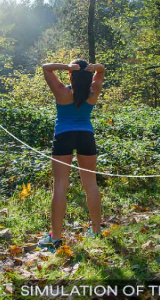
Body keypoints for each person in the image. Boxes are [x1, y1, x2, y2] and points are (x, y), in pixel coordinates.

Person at [37, 59, 105, 251]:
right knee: (90, 183)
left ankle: (56, 238)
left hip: (63, 137)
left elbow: (45, 68)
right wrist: (96, 68)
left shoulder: (62, 91)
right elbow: (102, 71)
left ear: (70, 74)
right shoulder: (93, 92)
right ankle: (96, 231)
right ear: (89, 74)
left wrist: (65, 66)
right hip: (86, 136)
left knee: (60, 185)